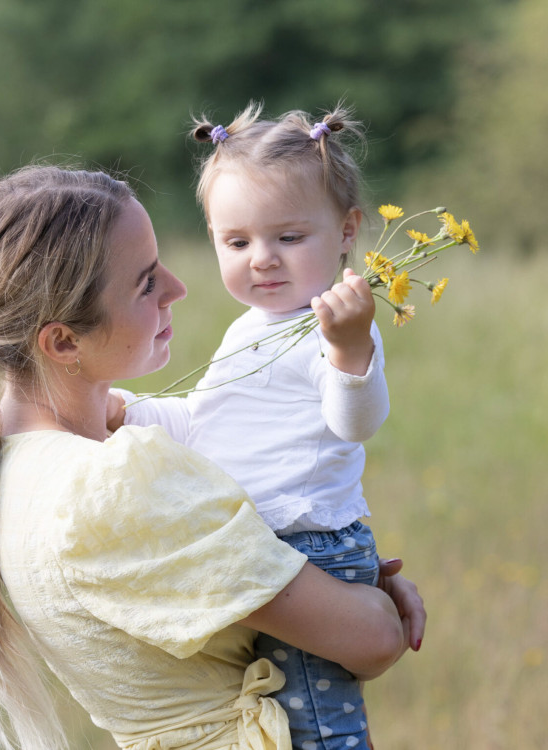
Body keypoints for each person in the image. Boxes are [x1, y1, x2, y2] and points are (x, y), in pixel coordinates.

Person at [0, 164, 425, 750]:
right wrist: (367, 598)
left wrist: (344, 585)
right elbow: (375, 638)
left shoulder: (9, 465)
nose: (177, 289)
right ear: (62, 342)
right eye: (146, 282)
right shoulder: (111, 482)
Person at [113, 102, 399, 750]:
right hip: (267, 549)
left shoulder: (331, 325)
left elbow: (355, 423)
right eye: (237, 242)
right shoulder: (249, 327)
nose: (262, 259)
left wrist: (352, 350)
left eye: (289, 238)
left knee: (320, 730)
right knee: (275, 716)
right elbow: (204, 424)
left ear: (347, 229)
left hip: (308, 549)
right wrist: (127, 409)